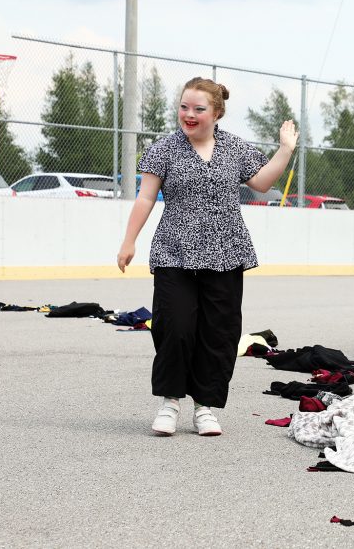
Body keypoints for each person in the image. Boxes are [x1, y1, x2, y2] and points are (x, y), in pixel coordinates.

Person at [117, 77, 298, 436]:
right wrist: (129, 241)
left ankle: (206, 407)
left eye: (199, 109)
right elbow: (145, 198)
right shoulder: (164, 149)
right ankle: (170, 402)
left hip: (226, 251)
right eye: (184, 106)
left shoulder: (234, 148)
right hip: (175, 251)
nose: (189, 114)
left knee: (219, 332)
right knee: (175, 327)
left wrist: (285, 150)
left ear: (216, 113)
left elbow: (262, 184)